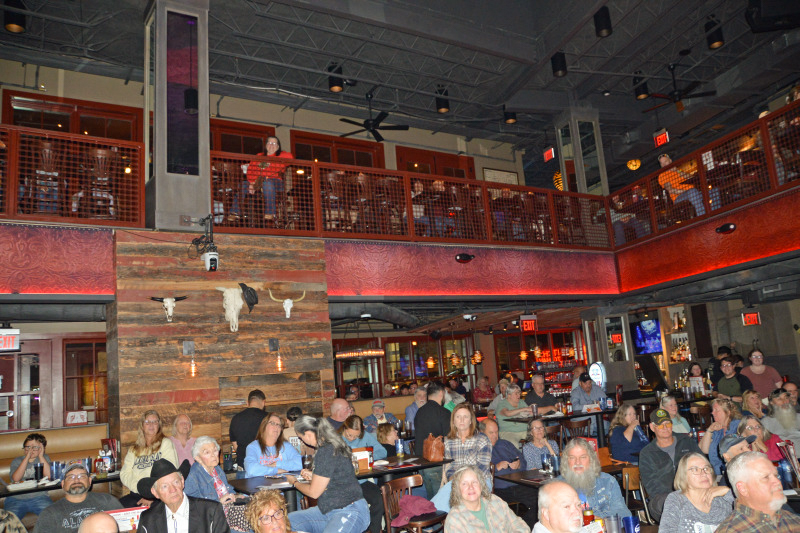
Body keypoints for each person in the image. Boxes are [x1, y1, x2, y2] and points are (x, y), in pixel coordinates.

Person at [285, 416, 370, 533]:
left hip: (349, 510)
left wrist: (294, 482)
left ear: (308, 434)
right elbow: (334, 476)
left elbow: (313, 493)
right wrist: (314, 476)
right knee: (286, 522)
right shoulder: (330, 446)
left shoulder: (326, 450)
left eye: (301, 437)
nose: (301, 441)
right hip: (327, 510)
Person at [638, 408, 702, 522]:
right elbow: (651, 486)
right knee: (665, 502)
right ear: (652, 427)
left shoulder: (686, 441)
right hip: (664, 499)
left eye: (668, 423)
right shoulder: (647, 453)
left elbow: (703, 465)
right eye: (661, 425)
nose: (666, 427)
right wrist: (678, 496)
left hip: (693, 492)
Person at [136, 458, 229, 533]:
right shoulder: (148, 519)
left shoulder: (211, 511)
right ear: (155, 492)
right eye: (165, 486)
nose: (172, 490)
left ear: (182, 482)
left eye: (176, 482)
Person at [715, 452, 800, 532]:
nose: (777, 482)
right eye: (766, 477)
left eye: (776, 475)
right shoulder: (733, 530)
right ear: (743, 488)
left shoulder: (793, 520)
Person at [432, 404, 492, 512]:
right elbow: (449, 467)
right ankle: (434, 520)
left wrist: (463, 481)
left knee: (449, 495)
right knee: (444, 496)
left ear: (471, 421)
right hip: (456, 481)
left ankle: (433, 522)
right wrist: (454, 480)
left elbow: (482, 468)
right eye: (458, 417)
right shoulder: (449, 441)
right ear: (453, 421)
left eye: (465, 417)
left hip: (480, 481)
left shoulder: (482, 439)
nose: (462, 420)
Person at [480, 418, 539, 527]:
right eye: (491, 433)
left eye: (497, 432)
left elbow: (522, 459)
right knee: (528, 502)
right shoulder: (480, 449)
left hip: (518, 483)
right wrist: (496, 468)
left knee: (539, 497)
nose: (495, 436)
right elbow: (479, 472)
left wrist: (519, 463)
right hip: (499, 488)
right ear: (482, 433)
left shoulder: (505, 443)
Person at [185, 436, 250, 533]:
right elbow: (193, 507)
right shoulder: (193, 476)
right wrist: (218, 501)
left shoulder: (217, 469)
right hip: (214, 521)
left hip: (228, 512)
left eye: (215, 450)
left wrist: (236, 495)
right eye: (207, 452)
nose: (213, 455)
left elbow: (227, 489)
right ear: (198, 458)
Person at [33, 462, 122, 533]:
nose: (76, 480)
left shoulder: (107, 501)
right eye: (71, 477)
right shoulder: (50, 514)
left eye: (81, 476)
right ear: (63, 484)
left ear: (90, 481)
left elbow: (125, 527)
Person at [657, 453, 734, 533]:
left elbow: (746, 518)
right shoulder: (677, 499)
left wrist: (728, 491)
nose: (704, 473)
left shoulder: (724, 499)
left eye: (706, 468)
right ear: (684, 475)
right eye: (695, 469)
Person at [558, 438, 630, 519]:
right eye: (572, 457)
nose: (577, 462)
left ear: (591, 459)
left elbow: (624, 513)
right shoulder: (556, 487)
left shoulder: (608, 481)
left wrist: (600, 520)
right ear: (566, 461)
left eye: (583, 457)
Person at [443, 465, 529, 533]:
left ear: (481, 484)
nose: (471, 487)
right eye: (464, 484)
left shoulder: (495, 501)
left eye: (474, 482)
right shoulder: (454, 520)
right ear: (457, 489)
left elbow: (518, 524)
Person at [119, 410, 179, 507]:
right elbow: (124, 474)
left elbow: (170, 470)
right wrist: (139, 489)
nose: (151, 425)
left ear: (158, 426)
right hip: (137, 493)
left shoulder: (165, 443)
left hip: (158, 495)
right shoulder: (133, 449)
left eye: (155, 422)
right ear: (142, 426)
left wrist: (151, 494)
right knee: (116, 507)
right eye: (147, 422)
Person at [338, 415, 385, 533]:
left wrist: (367, 456)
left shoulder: (365, 436)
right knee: (356, 504)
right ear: (345, 428)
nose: (353, 438)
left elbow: (382, 451)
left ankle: (374, 530)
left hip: (362, 480)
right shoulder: (335, 438)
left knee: (379, 499)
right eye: (349, 435)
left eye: (356, 435)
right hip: (343, 483)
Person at [413, 381, 451, 498]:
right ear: (441, 393)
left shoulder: (419, 412)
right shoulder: (444, 412)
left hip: (421, 462)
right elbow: (449, 439)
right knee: (441, 499)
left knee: (431, 500)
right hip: (437, 462)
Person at [245, 136, 293, 221]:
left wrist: (274, 156)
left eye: (274, 143)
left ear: (278, 147)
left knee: (267, 182)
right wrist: (252, 183)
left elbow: (290, 157)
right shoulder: (259, 156)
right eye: (269, 143)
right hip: (258, 182)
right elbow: (250, 170)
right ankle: (235, 212)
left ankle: (271, 212)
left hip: (276, 182)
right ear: (266, 145)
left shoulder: (281, 155)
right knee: (242, 185)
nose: (272, 145)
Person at [5, 433, 53, 519]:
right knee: (8, 521)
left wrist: (41, 456)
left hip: (39, 496)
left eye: (35, 447)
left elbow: (49, 476)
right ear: (24, 449)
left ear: (42, 449)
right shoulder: (17, 461)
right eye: (28, 447)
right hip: (16, 498)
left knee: (51, 517)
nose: (31, 450)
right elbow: (16, 479)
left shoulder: (44, 458)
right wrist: (27, 458)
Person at [244, 413, 302, 477]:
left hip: (282, 485)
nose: (276, 427)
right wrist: (275, 470)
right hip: (258, 486)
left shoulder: (285, 446)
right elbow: (251, 469)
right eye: (272, 423)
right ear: (264, 426)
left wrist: (276, 464)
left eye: (279, 425)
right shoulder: (253, 447)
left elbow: (301, 463)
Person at [229, 389, 268, 478]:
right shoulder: (269, 418)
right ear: (263, 402)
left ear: (248, 403)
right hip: (264, 468)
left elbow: (235, 446)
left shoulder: (236, 418)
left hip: (243, 468)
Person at [699, 399, 741, 475]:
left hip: (736, 471)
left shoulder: (738, 427)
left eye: (716, 410)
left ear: (728, 412)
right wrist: (709, 430)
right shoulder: (717, 429)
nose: (712, 413)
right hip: (717, 474)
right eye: (712, 410)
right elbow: (704, 450)